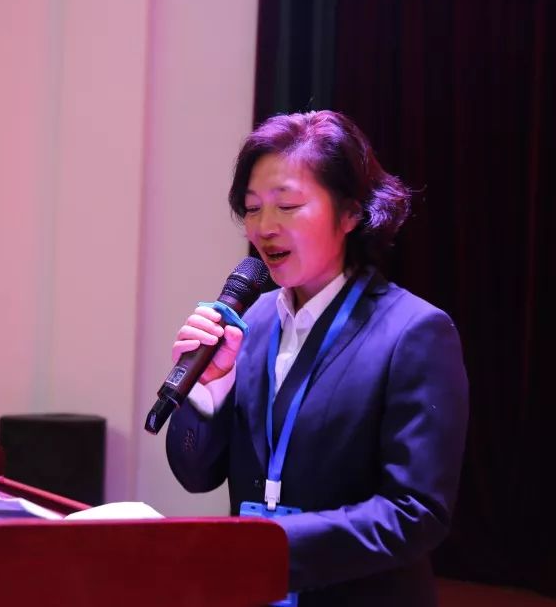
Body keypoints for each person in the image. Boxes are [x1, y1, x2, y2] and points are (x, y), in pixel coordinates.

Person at [165, 110, 469, 606]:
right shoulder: (251, 321)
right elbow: (195, 475)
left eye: (287, 206)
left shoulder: (413, 332)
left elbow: (416, 512)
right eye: (253, 208)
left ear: (350, 213)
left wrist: (269, 546)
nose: (264, 227)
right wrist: (209, 385)